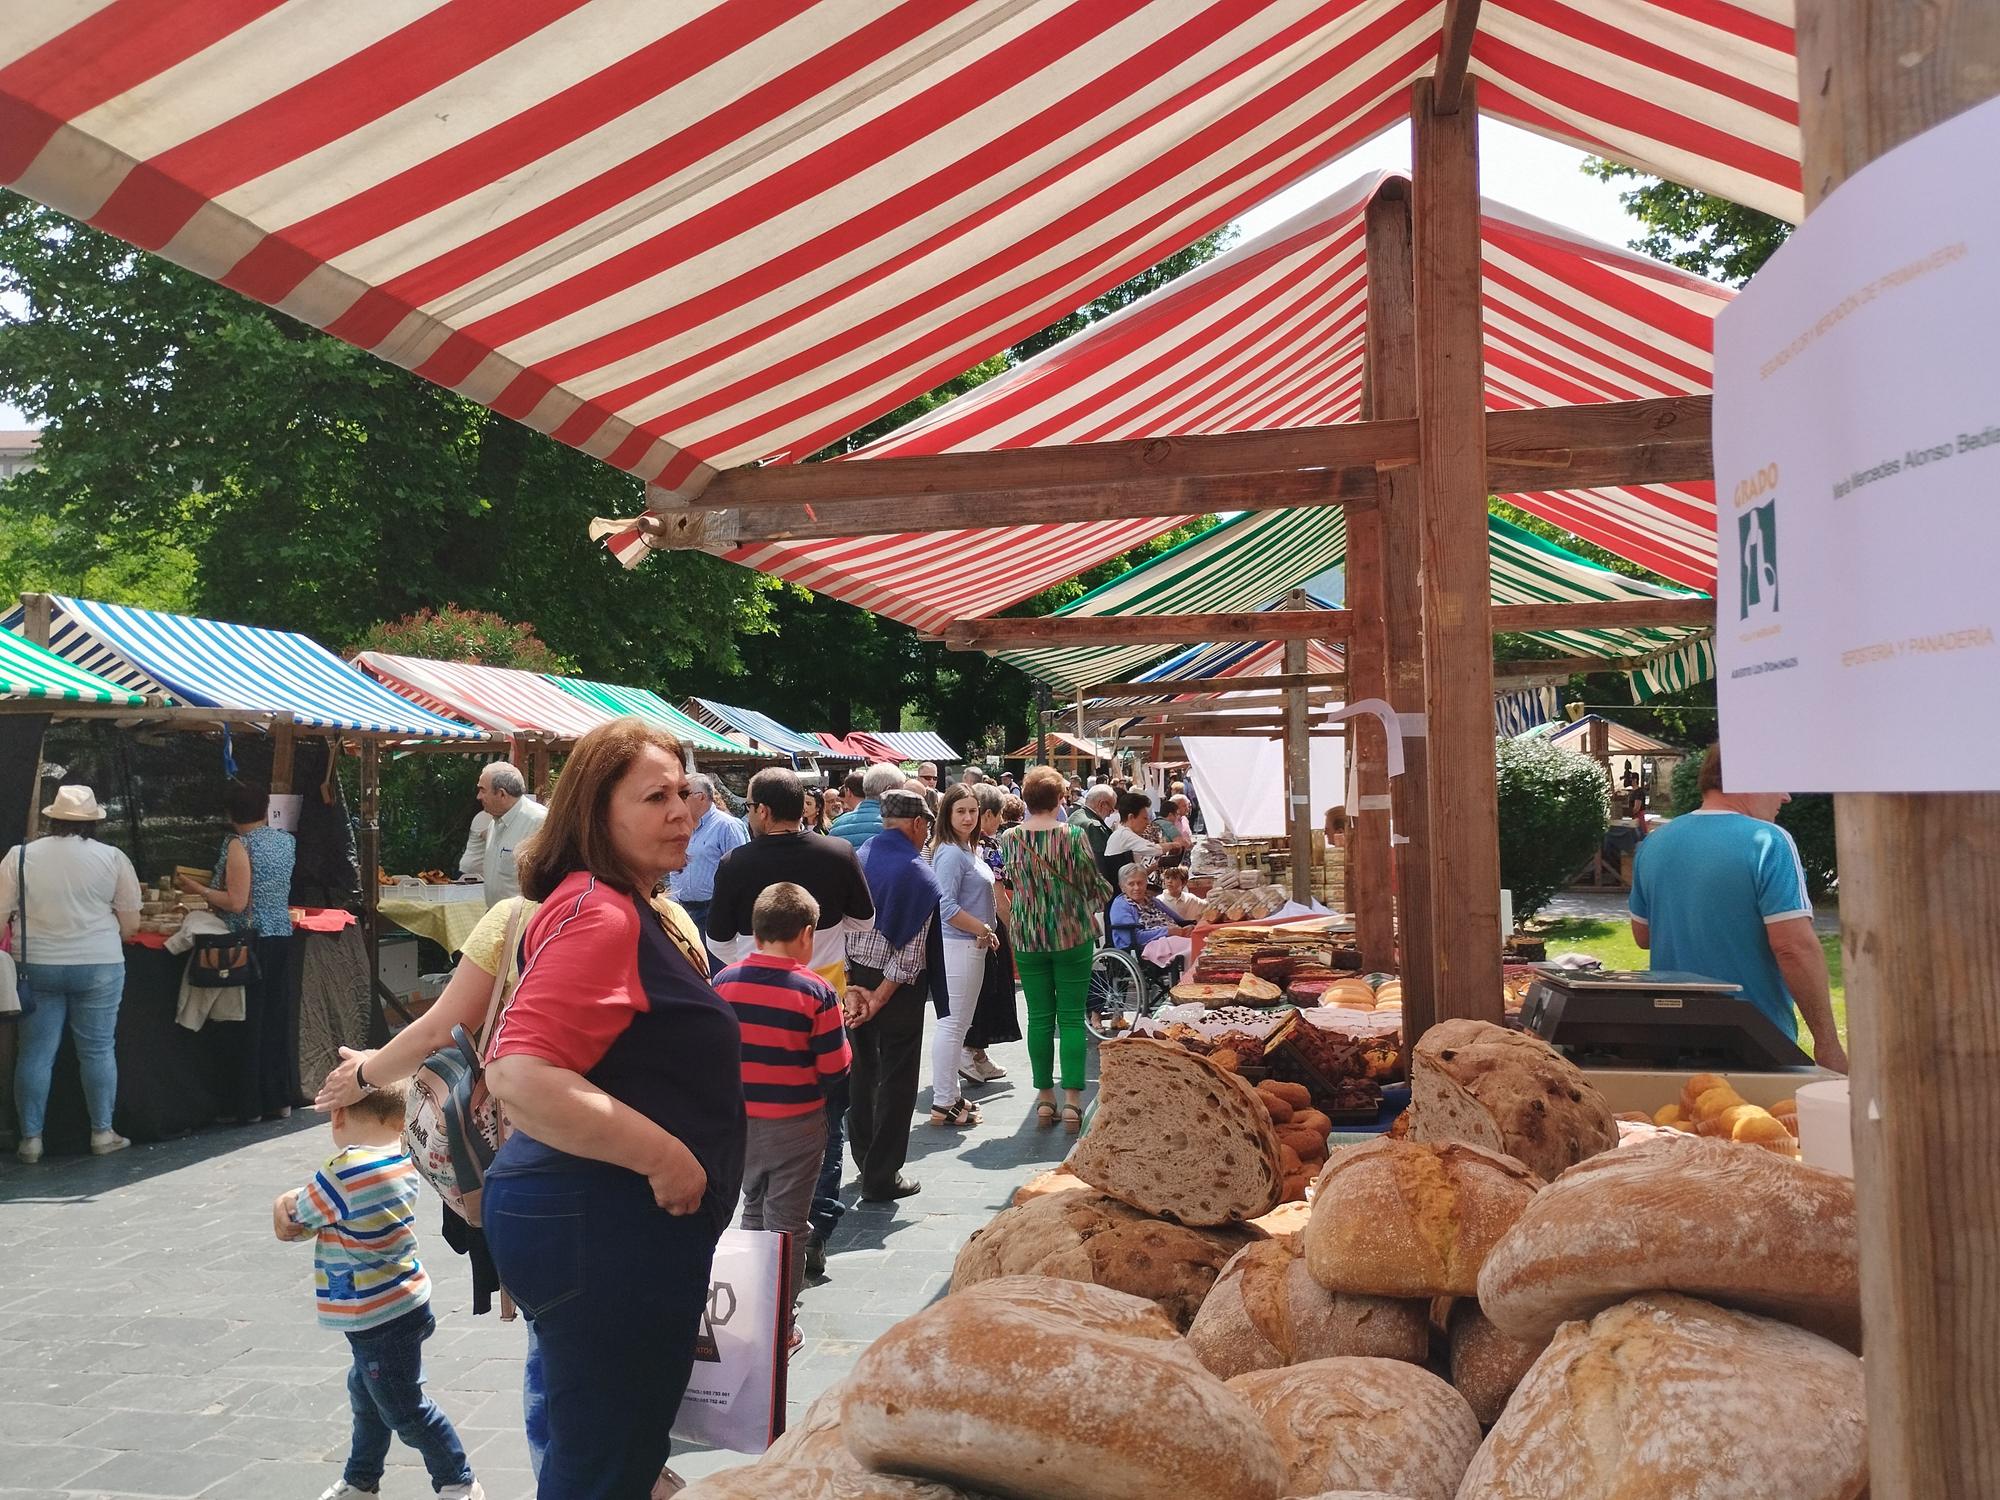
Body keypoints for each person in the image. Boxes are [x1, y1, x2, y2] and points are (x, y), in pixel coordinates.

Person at [480, 719, 746, 1500]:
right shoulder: (603, 913)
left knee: (607, 1454)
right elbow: (520, 1074)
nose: (682, 813)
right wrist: (664, 1159)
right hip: (602, 1223)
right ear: (596, 812)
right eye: (655, 797)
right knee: (605, 1463)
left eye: (684, 794)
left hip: (590, 1221)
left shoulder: (603, 900)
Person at [271, 1079, 482, 1500]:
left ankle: (458, 1480)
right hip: (401, 1302)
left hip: (376, 1313)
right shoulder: (401, 1158)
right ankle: (361, 1479)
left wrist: (281, 1201)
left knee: (403, 1408)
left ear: (338, 1115)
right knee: (367, 1397)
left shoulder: (343, 1171)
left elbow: (296, 1221)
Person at [704, 766, 877, 1276]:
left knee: (760, 1123)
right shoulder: (838, 854)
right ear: (802, 806)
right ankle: (813, 1226)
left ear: (759, 809)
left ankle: (764, 1245)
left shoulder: (735, 862)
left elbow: (716, 941)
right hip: (825, 994)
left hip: (750, 996)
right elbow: (865, 921)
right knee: (828, 1118)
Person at [1629, 744, 1847, 1073]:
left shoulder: (1654, 844)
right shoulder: (1769, 841)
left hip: (1669, 1043)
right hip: (1755, 1046)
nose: (1786, 796)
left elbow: (1643, 935)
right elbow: (1793, 947)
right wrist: (1828, 1045)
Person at [710, 882, 850, 1336]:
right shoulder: (816, 991)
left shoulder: (724, 982)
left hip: (741, 1122)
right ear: (807, 934)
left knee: (754, 1208)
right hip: (797, 1122)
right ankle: (777, 1319)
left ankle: (749, 1306)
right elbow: (836, 1065)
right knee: (789, 1223)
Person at [2, 784, 141, 1162]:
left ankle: (30, 1139)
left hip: (36, 964)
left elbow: (0, 914)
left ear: (51, 819)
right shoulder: (112, 858)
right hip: (99, 962)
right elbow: (130, 924)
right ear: (93, 823)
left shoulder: (20, 856)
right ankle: (102, 1133)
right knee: (97, 1051)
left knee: (34, 1054)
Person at [999, 767, 1113, 1134]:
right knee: (1070, 1017)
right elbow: (1090, 881)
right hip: (1070, 932)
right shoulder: (1073, 835)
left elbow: (1016, 881)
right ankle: (1073, 1103)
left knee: (1038, 1017)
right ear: (1060, 799)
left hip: (1029, 935)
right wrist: (1101, 896)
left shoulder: (1010, 838)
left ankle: (1045, 1098)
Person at [842, 789, 941, 1200]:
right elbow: (911, 952)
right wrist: (879, 996)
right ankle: (881, 1176)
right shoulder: (918, 871)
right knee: (898, 1077)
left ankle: (866, 1160)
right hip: (892, 988)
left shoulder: (857, 858)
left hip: (855, 978)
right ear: (918, 824)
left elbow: (838, 929)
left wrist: (851, 988)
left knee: (862, 1072)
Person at [180, 780, 298, 1123]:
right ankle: (279, 1098)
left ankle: (248, 1106)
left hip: (251, 940)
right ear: (265, 809)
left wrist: (198, 889)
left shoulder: (238, 845)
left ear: (230, 814)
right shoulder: (286, 841)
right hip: (281, 935)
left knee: (248, 1023)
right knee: (277, 1020)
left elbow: (235, 900)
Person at [926, 785, 1000, 1128]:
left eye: (973, 811)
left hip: (968, 945)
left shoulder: (965, 850)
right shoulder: (953, 854)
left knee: (956, 1025)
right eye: (961, 811)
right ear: (948, 815)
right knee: (952, 1025)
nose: (968, 817)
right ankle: (944, 1101)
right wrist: (982, 929)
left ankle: (949, 1097)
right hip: (958, 946)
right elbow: (945, 906)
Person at [960, 784, 1019, 1086]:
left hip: (964, 924)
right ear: (990, 814)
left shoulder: (955, 844)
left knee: (984, 989)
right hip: (987, 924)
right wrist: (1013, 927)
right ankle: (970, 1051)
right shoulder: (989, 846)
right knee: (989, 989)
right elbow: (999, 895)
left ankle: (978, 1053)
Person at [672, 772, 747, 943]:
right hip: (684, 910)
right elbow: (676, 867)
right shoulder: (683, 826)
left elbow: (739, 872)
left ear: (701, 797)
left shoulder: (727, 826)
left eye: (684, 795)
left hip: (713, 910)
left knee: (715, 966)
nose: (679, 801)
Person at [459, 763, 546, 909]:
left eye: (482, 790)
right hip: (496, 919)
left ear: (501, 794)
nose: (478, 796)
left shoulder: (538, 822)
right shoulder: (495, 821)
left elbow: (547, 884)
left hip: (523, 924)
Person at [1108, 863, 1195, 952]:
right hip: (1147, 948)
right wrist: (1167, 931)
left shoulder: (1151, 900)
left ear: (1146, 883)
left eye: (1140, 883)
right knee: (1193, 948)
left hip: (1173, 939)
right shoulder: (1121, 905)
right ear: (1122, 887)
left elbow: (1179, 920)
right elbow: (1131, 939)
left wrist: (1188, 927)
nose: (1137, 888)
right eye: (1131, 884)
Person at [1103, 791, 1182, 887]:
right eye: (1144, 818)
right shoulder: (1123, 834)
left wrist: (1155, 866)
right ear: (1131, 817)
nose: (1148, 823)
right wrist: (1174, 844)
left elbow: (1138, 875)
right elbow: (1155, 849)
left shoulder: (1124, 834)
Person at [829, 763, 902, 849]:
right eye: (901, 791)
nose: (904, 796)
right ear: (888, 791)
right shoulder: (896, 826)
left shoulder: (837, 825)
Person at [1077, 785, 1118, 865]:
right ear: (1102, 804)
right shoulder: (1094, 827)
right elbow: (1101, 864)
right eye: (1110, 810)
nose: (1109, 815)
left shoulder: (1075, 816)